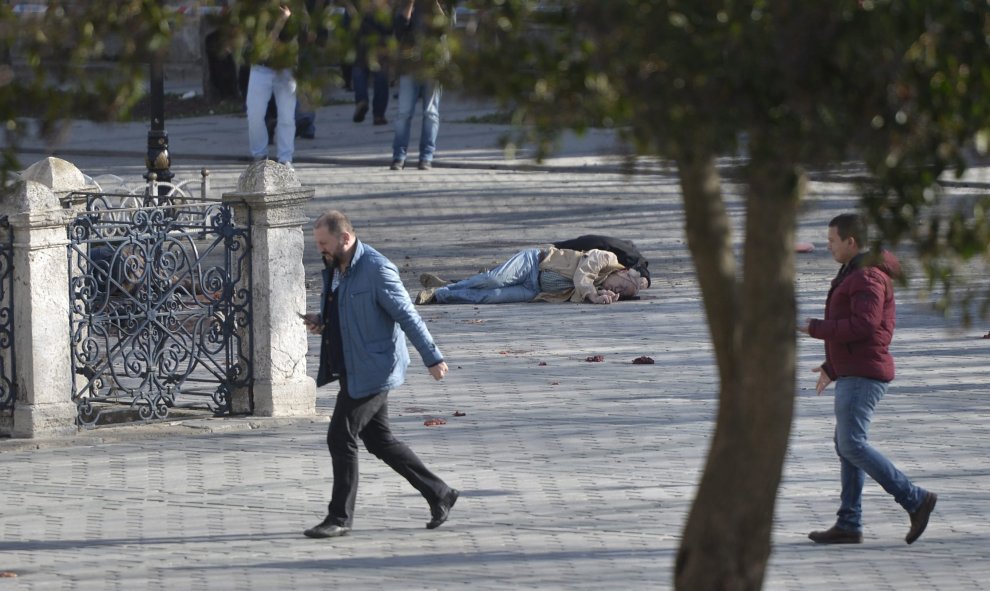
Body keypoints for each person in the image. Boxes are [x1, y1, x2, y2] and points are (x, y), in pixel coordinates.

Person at [300, 210, 459, 538]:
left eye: (324, 243)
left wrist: (433, 357)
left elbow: (407, 315)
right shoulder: (336, 268)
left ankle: (339, 518)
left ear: (345, 238)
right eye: (317, 244)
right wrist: (323, 321)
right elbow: (348, 310)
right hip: (352, 366)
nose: (320, 250)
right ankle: (440, 493)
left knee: (340, 436)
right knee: (379, 440)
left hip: (374, 369)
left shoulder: (377, 269)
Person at [800, 213, 937, 545]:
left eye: (833, 241)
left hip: (864, 375)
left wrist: (812, 327)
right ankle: (849, 523)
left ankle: (914, 499)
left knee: (851, 443)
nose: (828, 246)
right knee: (846, 444)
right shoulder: (854, 271)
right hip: (854, 370)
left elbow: (864, 325)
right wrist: (833, 366)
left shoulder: (866, 276)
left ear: (851, 242)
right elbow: (856, 330)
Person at [415, 246, 642, 305]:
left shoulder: (598, 288)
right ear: (622, 272)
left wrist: (601, 295)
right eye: (621, 287)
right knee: (492, 280)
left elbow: (576, 293)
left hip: (535, 291)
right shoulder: (607, 258)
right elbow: (584, 272)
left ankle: (440, 293)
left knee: (490, 296)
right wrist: (592, 293)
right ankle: (446, 288)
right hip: (534, 263)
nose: (616, 291)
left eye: (622, 295)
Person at [244, 1, 303, 167]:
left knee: (287, 116)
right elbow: (261, 43)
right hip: (261, 67)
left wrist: (288, 19)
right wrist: (281, 21)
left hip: (286, 68)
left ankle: (285, 158)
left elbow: (294, 34)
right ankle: (259, 155)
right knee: (254, 114)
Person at [390, 0, 447, 171]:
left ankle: (426, 157)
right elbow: (399, 30)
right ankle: (399, 157)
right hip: (410, 67)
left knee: (430, 113)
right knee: (403, 113)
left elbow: (445, 28)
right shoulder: (406, 5)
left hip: (433, 66)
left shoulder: (441, 5)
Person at [348, 0, 392, 125]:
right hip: (380, 37)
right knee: (380, 76)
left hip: (360, 33)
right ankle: (378, 115)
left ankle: (362, 100)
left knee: (359, 70)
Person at [552, 234, 651, 288]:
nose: (617, 290)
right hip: (595, 245)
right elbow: (637, 261)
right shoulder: (629, 259)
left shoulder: (627, 257)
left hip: (601, 246)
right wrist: (645, 278)